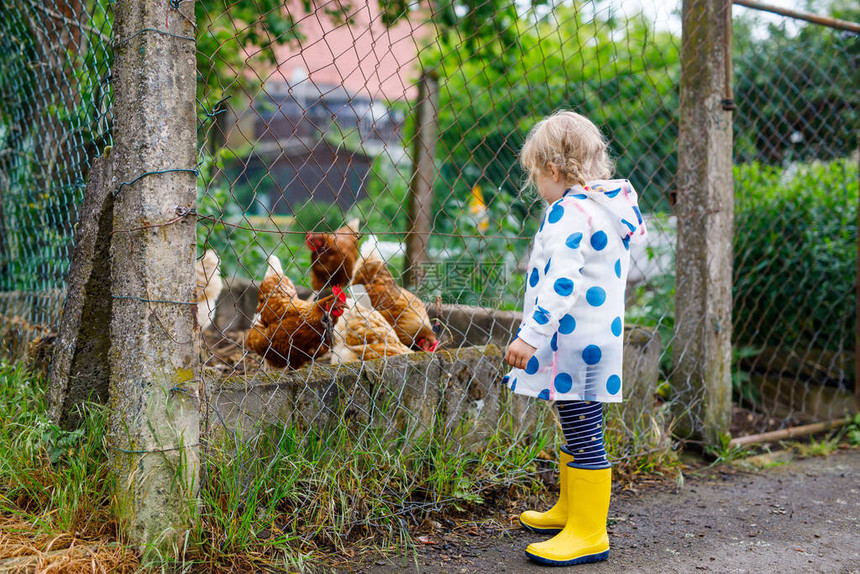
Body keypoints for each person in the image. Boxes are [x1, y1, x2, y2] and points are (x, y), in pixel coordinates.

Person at [502, 110, 647, 566]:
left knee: (584, 432)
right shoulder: (605, 205)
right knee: (576, 422)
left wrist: (529, 336)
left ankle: (589, 531)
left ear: (552, 170)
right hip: (592, 342)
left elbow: (562, 284)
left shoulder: (569, 211)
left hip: (572, 343)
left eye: (534, 175)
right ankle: (571, 509)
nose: (535, 186)